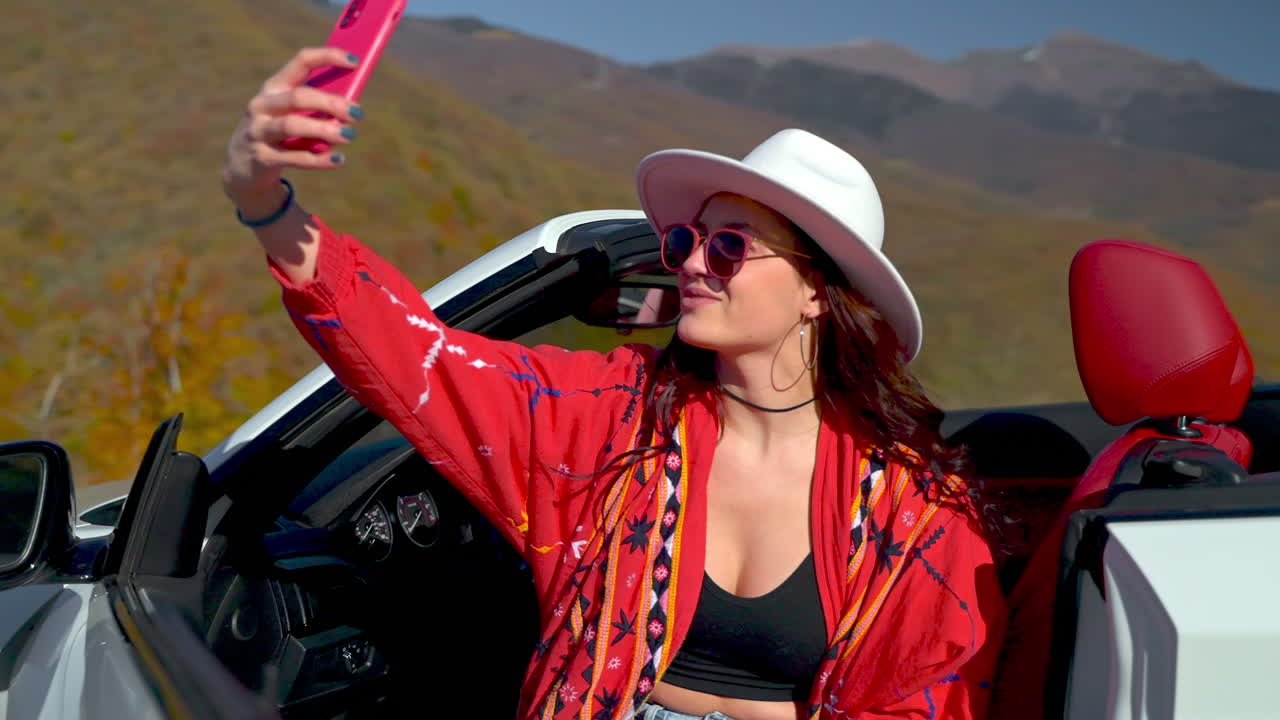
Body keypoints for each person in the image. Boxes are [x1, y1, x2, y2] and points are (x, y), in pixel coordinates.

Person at [223, 48, 1006, 720]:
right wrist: (267, 203)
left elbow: (928, 696)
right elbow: (408, 355)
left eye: (730, 246)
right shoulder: (606, 418)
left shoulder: (915, 511)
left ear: (815, 292)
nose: (693, 263)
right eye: (686, 239)